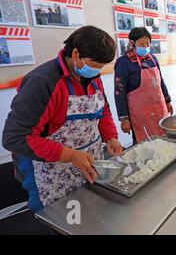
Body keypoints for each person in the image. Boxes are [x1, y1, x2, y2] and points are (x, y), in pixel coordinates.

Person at [2, 26, 123, 212]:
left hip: (86, 164)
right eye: (95, 64)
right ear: (75, 53)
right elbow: (14, 137)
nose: (98, 70)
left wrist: (111, 137)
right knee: (58, 220)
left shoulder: (93, 78)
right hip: (50, 173)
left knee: (88, 215)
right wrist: (71, 155)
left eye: (102, 66)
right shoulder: (42, 82)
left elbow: (103, 110)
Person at [114, 27, 173, 143]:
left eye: (148, 43)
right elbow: (119, 92)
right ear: (132, 43)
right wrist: (124, 118)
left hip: (159, 108)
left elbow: (160, 81)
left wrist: (167, 100)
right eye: (142, 43)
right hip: (140, 115)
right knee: (144, 145)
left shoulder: (152, 58)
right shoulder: (123, 63)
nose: (145, 46)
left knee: (165, 142)